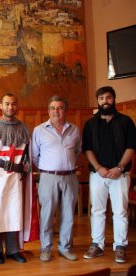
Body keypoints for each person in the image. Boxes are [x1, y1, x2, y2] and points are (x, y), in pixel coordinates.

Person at [0, 93, 38, 264]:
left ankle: (13, 250)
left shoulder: (23, 128)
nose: (10, 107)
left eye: (13, 104)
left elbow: (27, 153)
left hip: (16, 177)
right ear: (1, 106)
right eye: (7, 104)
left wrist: (26, 165)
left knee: (14, 213)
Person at [82, 86, 136, 264]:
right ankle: (97, 244)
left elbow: (131, 147)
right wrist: (99, 168)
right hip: (98, 175)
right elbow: (87, 149)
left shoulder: (126, 121)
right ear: (97, 101)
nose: (105, 101)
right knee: (97, 211)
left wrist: (119, 168)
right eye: (101, 98)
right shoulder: (90, 124)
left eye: (109, 97)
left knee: (120, 211)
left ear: (114, 99)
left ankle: (120, 246)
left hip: (120, 174)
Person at [31, 96, 81, 262]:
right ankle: (46, 248)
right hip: (48, 177)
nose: (56, 111)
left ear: (65, 110)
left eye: (59, 108)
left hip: (70, 177)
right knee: (47, 214)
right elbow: (34, 156)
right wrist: (47, 169)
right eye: (53, 108)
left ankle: (64, 247)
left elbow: (78, 151)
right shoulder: (39, 130)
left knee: (68, 214)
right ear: (48, 110)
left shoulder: (74, 130)